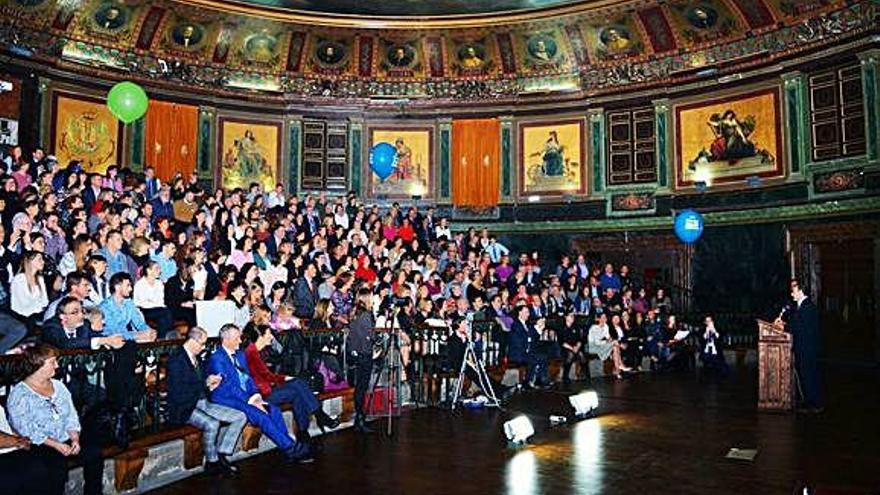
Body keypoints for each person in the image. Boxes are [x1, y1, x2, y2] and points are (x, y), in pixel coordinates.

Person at [207, 323, 313, 463]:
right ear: (226, 340)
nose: (240, 341)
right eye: (237, 338)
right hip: (228, 398)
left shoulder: (239, 355)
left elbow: (248, 378)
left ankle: (287, 448)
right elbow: (230, 386)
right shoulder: (217, 358)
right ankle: (292, 449)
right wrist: (251, 400)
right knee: (261, 415)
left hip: (246, 396)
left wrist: (256, 395)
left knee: (274, 410)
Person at [6, 345, 105, 495]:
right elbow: (26, 429)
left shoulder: (58, 386)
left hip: (65, 436)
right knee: (55, 468)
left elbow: (71, 414)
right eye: (52, 362)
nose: (57, 365)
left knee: (94, 452)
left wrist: (75, 438)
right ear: (38, 365)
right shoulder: (19, 394)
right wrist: (57, 445)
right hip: (41, 443)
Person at [166, 326, 247, 476]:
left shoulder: (195, 357)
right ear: (193, 341)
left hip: (201, 402)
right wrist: (205, 383)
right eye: (202, 344)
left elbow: (200, 382)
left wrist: (210, 384)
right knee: (212, 423)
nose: (203, 348)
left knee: (240, 416)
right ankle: (212, 462)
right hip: (184, 407)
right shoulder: (177, 360)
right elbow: (179, 391)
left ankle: (222, 453)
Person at [242, 324, 339, 439]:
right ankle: (318, 418)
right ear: (260, 336)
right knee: (297, 387)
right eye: (268, 334)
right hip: (262, 394)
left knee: (298, 387)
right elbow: (267, 376)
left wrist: (284, 378)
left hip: (268, 388)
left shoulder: (259, 351)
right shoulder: (251, 353)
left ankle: (305, 431)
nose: (272, 337)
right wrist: (284, 378)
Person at [782, 281, 823, 413]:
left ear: (800, 291)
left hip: (807, 349)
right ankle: (808, 400)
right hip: (803, 348)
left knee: (809, 375)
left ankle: (815, 404)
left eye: (793, 290)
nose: (791, 293)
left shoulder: (807, 307)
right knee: (805, 375)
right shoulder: (800, 306)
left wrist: (783, 326)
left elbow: (798, 327)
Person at [346, 288, 375, 433]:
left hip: (356, 354)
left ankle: (360, 416)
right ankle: (360, 418)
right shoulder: (365, 315)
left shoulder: (355, 313)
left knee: (360, 387)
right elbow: (368, 336)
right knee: (362, 387)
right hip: (364, 353)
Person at [508, 305, 550, 388]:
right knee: (534, 359)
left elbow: (533, 337)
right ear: (520, 313)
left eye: (528, 312)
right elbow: (519, 341)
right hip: (518, 353)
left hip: (527, 351)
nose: (528, 314)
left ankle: (540, 379)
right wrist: (529, 341)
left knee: (543, 357)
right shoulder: (516, 325)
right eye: (526, 312)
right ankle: (528, 382)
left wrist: (539, 329)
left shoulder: (527, 325)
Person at [588, 313, 629, 379]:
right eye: (602, 317)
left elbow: (609, 337)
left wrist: (610, 341)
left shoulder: (606, 326)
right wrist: (609, 342)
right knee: (615, 343)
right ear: (598, 319)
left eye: (605, 317)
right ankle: (620, 365)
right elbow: (597, 342)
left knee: (615, 347)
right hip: (594, 347)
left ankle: (618, 370)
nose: (604, 319)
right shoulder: (594, 328)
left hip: (603, 345)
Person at [557, 312, 587, 384]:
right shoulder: (561, 327)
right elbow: (561, 342)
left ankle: (586, 374)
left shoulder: (576, 327)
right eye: (570, 316)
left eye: (573, 316)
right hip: (565, 347)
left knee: (581, 355)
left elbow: (580, 339)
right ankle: (565, 375)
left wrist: (577, 346)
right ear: (566, 317)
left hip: (575, 346)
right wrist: (571, 348)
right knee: (570, 355)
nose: (572, 318)